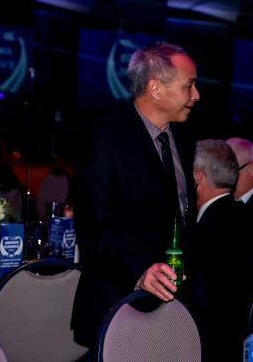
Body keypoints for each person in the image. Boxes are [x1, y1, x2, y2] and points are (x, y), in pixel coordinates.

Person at [71, 41, 199, 347]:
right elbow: (93, 231)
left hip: (172, 309)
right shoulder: (105, 136)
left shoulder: (183, 138)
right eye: (189, 85)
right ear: (155, 88)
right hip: (118, 304)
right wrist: (139, 272)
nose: (196, 95)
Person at [181, 139, 253, 362]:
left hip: (210, 347)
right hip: (245, 339)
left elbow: (197, 304)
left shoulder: (203, 234)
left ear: (197, 177)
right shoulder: (251, 218)